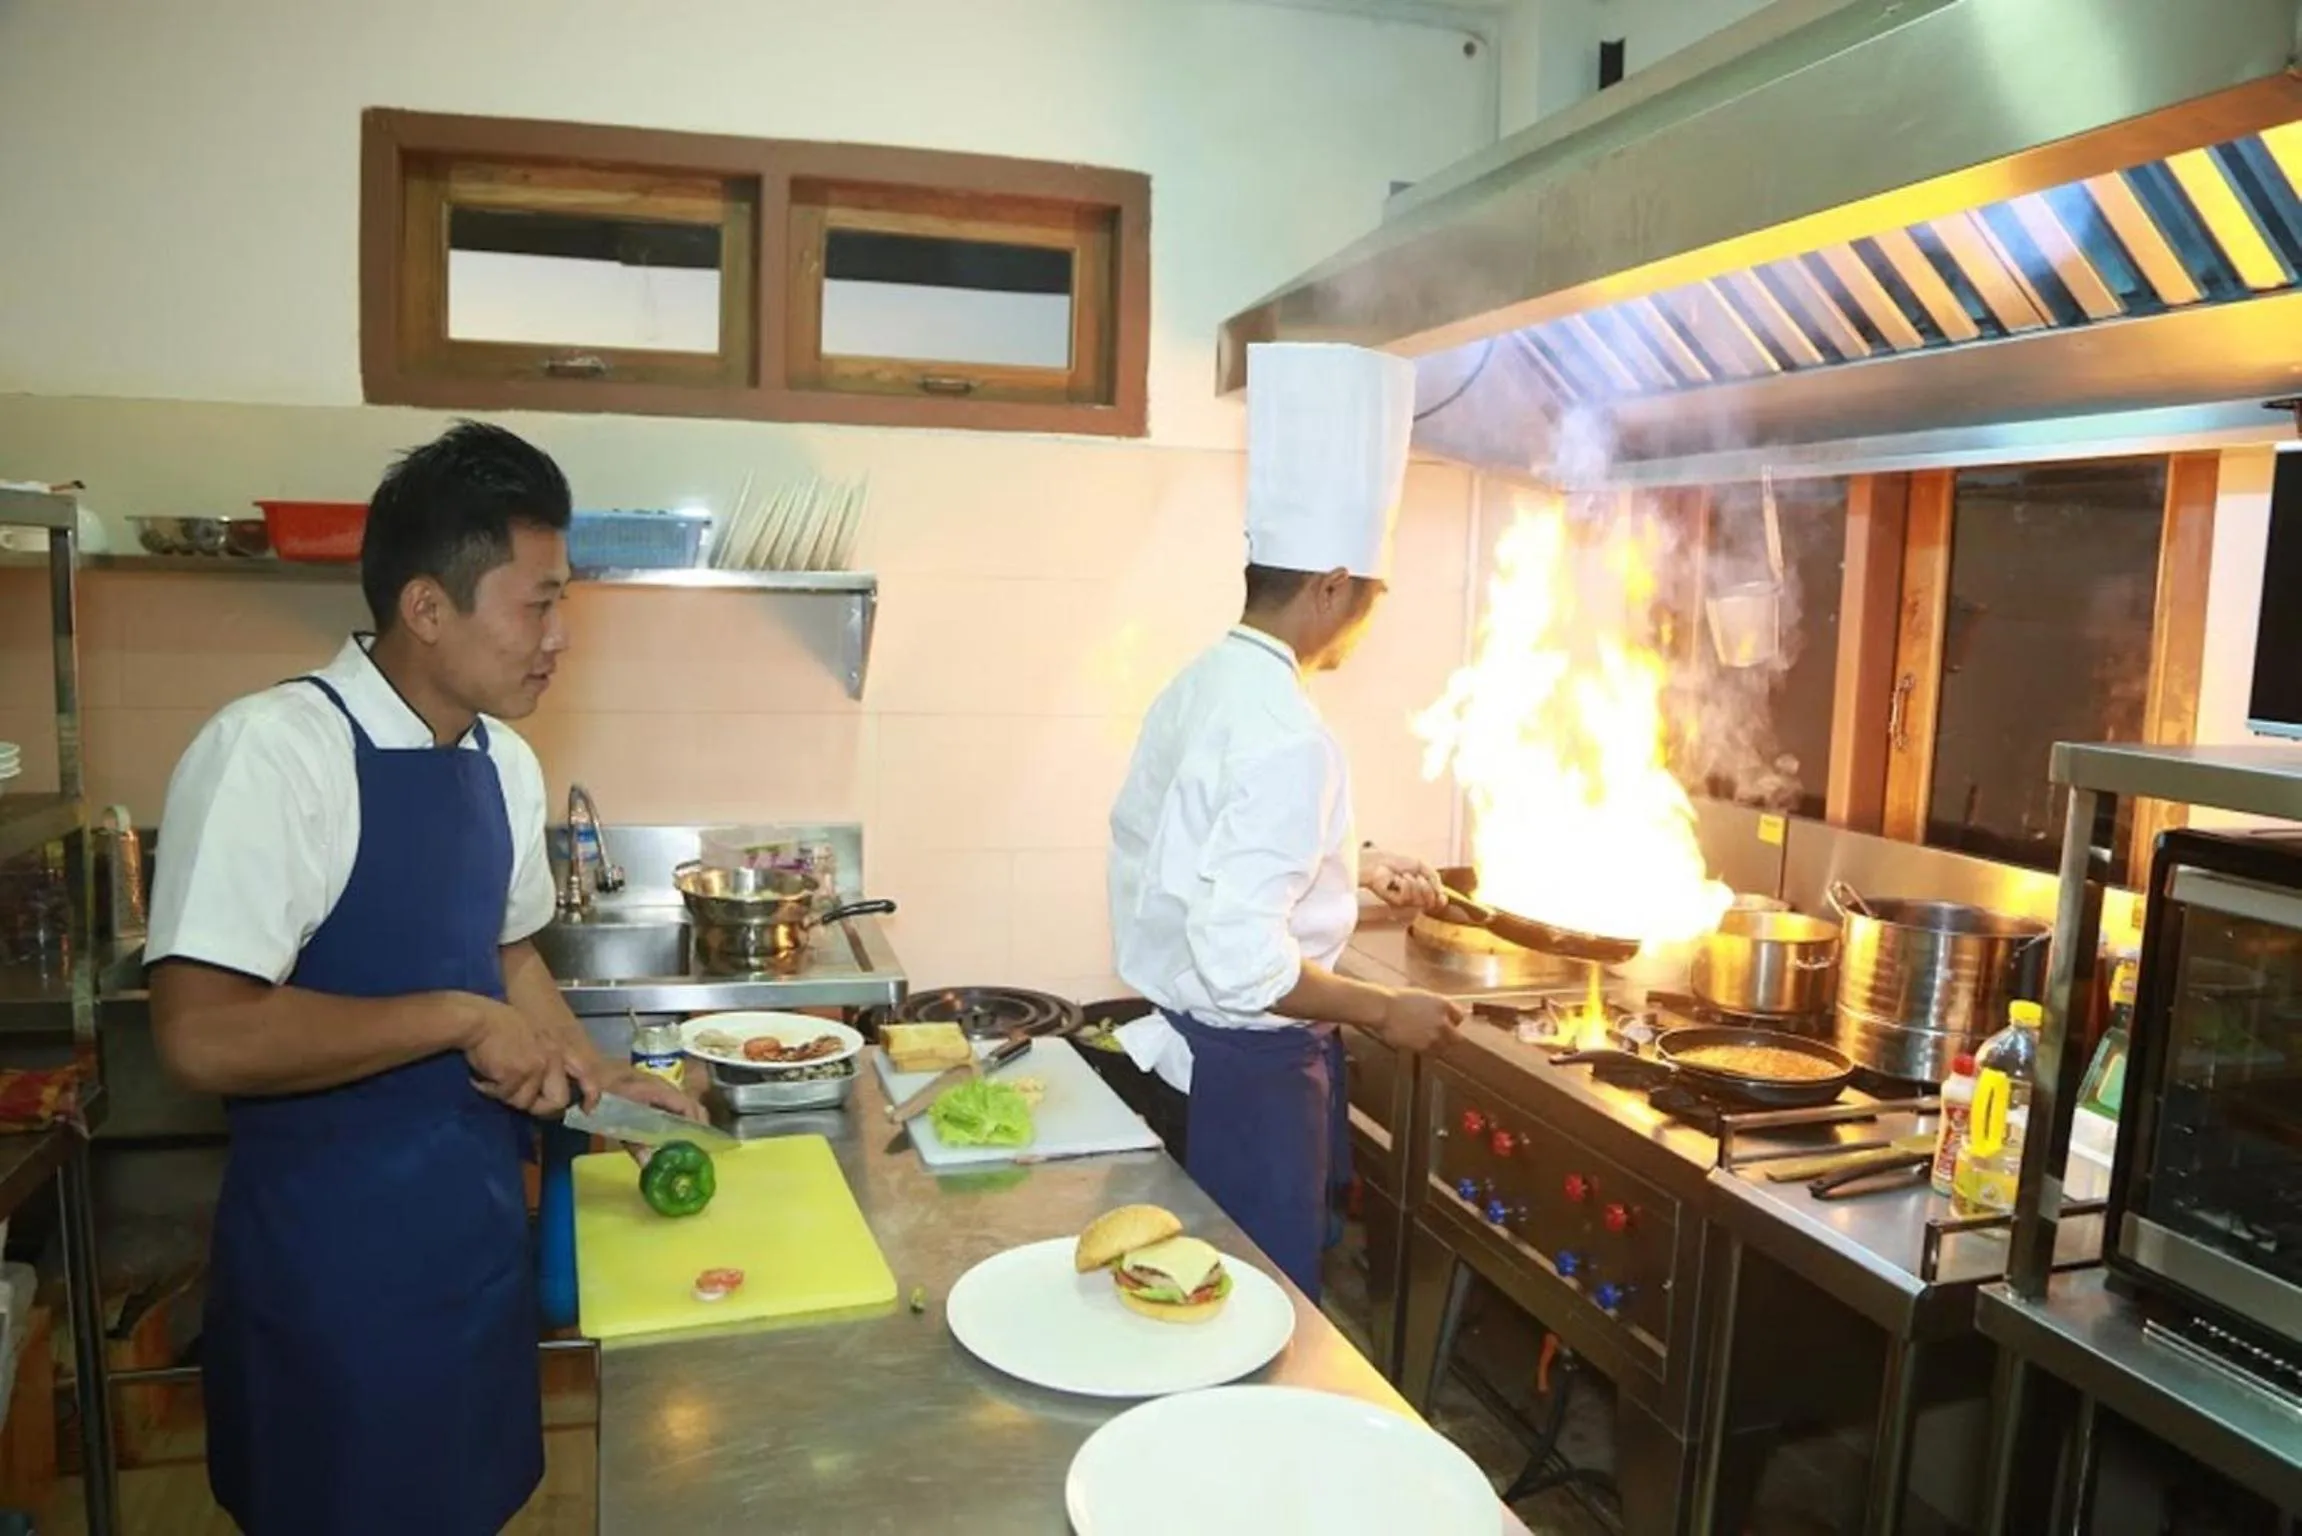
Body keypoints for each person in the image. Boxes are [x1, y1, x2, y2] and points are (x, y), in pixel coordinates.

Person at [144, 422, 700, 1535]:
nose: (560, 636)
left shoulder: (504, 760)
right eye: (536, 603)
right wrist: (455, 1023)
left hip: (472, 1250)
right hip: (330, 1280)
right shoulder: (274, 753)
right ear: (427, 606)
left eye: (565, 601)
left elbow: (507, 950)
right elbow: (201, 1036)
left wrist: (582, 1066)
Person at [1107, 342, 1467, 1300]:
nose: (1366, 626)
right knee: (1256, 1317)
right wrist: (1388, 1011)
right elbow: (1245, 962)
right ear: (1332, 586)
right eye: (1371, 603)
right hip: (1252, 1079)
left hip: (1199, 1057)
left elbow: (1202, 841)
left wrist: (1357, 858)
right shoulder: (1286, 732)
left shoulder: (1205, 682)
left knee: (1208, 1300)